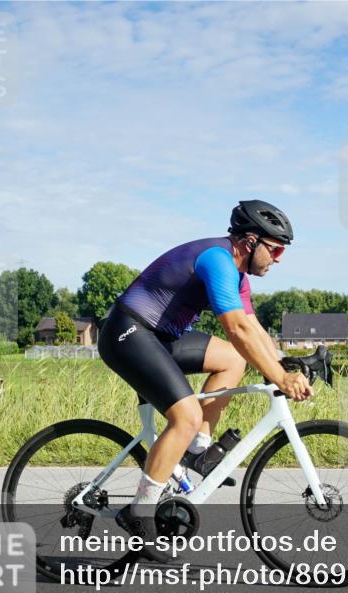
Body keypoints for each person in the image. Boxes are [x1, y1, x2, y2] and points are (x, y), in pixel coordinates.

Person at [97, 200, 313, 561]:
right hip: (128, 331)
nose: (278, 259)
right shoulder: (217, 260)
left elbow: (253, 328)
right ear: (249, 241)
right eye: (274, 249)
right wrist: (278, 377)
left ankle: (195, 451)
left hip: (161, 335)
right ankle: (140, 512)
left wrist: (286, 363)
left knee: (232, 359)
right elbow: (235, 326)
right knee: (185, 415)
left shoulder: (239, 274)